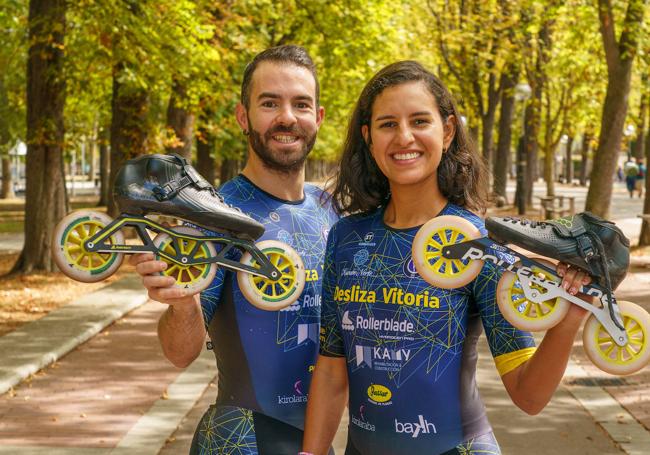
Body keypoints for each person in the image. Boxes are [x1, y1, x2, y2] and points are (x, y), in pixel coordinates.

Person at [302, 61, 591, 455]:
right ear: (369, 138)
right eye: (388, 124)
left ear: (448, 130)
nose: (404, 137)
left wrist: (568, 322)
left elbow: (529, 396)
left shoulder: (476, 243)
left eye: (420, 121)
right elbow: (333, 370)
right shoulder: (346, 238)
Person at [131, 45, 339, 454]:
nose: (286, 117)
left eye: (300, 104)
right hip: (240, 440)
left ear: (318, 117)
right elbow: (179, 353)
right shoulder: (217, 216)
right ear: (243, 116)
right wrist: (184, 306)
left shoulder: (333, 211)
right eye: (269, 103)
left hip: (319, 442)